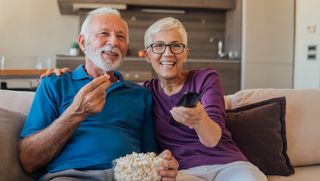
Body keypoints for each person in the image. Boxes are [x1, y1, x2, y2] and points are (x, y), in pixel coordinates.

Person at [44, 17, 268, 181]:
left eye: (176, 46)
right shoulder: (143, 92)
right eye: (159, 46)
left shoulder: (204, 78)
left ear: (185, 52)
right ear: (147, 54)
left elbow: (211, 139)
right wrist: (64, 74)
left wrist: (199, 119)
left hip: (227, 164)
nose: (168, 54)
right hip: (182, 173)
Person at [19, 7, 178, 181]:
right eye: (103, 33)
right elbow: (29, 160)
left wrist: (163, 165)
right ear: (82, 42)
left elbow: (151, 155)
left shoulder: (141, 94)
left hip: (127, 176)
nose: (114, 42)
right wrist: (76, 113)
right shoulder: (55, 83)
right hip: (70, 176)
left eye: (121, 36)